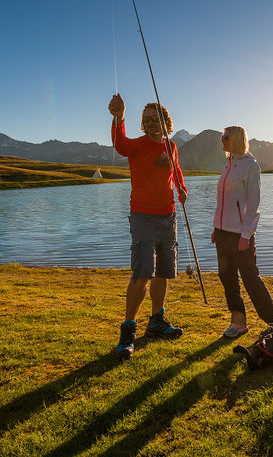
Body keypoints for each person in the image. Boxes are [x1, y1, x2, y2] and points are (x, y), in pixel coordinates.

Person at [108, 93, 188, 358]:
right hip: (142, 216)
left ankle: (156, 322)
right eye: (147, 120)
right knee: (143, 272)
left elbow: (176, 171)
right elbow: (119, 144)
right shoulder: (137, 145)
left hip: (169, 215)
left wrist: (182, 189)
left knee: (164, 272)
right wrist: (119, 117)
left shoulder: (172, 147)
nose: (152, 123)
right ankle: (128, 331)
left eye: (157, 119)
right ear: (142, 123)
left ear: (166, 122)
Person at [211, 126, 273, 339]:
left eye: (226, 137)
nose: (222, 140)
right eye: (222, 137)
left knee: (250, 277)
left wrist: (246, 233)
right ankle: (238, 322)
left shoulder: (250, 165)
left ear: (237, 139)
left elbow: (253, 202)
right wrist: (216, 228)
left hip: (240, 234)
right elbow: (222, 201)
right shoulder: (228, 164)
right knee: (227, 277)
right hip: (222, 232)